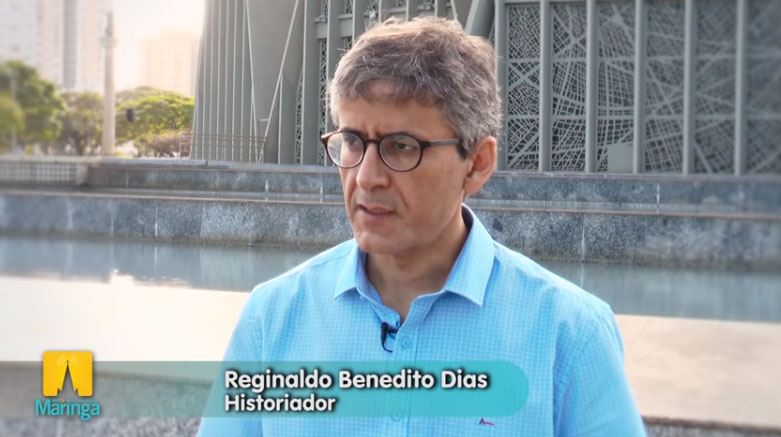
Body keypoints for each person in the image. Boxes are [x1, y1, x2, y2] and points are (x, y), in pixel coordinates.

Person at [199, 16, 645, 436]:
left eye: (401, 146)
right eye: (351, 141)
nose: (366, 177)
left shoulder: (568, 333)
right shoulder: (273, 317)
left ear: (477, 163)